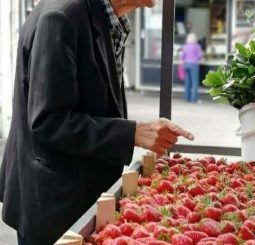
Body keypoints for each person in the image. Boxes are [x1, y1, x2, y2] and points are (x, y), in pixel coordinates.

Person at [0, 0, 194, 244]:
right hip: (53, 204)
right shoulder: (62, 17)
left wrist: (136, 131)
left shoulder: (108, 17)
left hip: (77, 192)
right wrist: (132, 133)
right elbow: (48, 121)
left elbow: (95, 101)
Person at [181, 33, 203, 103]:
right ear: (195, 39)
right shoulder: (197, 46)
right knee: (194, 83)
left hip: (186, 64)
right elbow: (200, 56)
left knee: (187, 82)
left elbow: (182, 56)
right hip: (194, 64)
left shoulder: (185, 46)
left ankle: (187, 98)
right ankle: (194, 99)